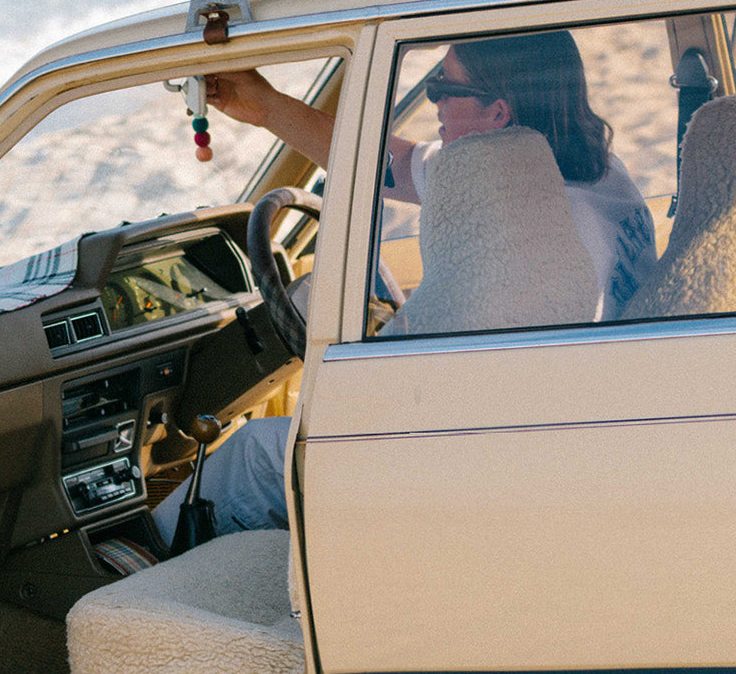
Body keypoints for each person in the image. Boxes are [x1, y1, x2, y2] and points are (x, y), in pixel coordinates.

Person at [152, 30, 656, 542]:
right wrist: (265, 106)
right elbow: (386, 166)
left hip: (490, 471)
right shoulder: (587, 174)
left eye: (443, 88)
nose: (433, 100)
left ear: (498, 114)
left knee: (259, 451)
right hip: (555, 438)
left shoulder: (530, 231)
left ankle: (132, 566)